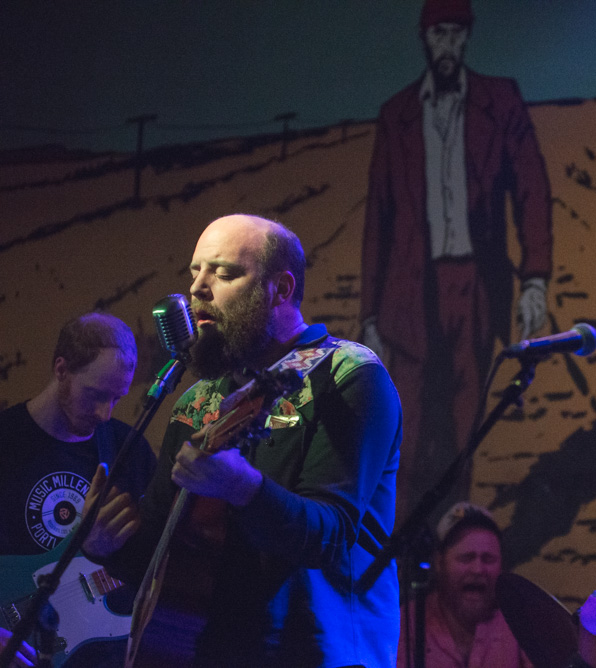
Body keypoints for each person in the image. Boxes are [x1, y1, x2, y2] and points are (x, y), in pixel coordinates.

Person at [82, 215, 402, 666]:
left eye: (225, 272)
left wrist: (241, 488)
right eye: (195, 271)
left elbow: (330, 537)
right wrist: (106, 546)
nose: (197, 287)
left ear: (282, 288)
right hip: (211, 647)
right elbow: (162, 552)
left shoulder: (347, 374)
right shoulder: (198, 400)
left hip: (321, 650)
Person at [361, 0, 553, 518]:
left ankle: (452, 536)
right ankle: (397, 544)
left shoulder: (500, 100)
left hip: (475, 284)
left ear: (467, 38)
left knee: (466, 413)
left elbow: (532, 189)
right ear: (425, 39)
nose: (447, 45)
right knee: (410, 419)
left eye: (456, 34)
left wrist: (535, 279)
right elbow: (378, 216)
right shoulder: (396, 114)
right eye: (438, 34)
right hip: (409, 289)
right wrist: (371, 315)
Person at [0, 312, 156, 667]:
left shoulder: (128, 450)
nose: (105, 413)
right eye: (96, 394)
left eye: (116, 398)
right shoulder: (5, 441)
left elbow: (148, 562)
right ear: (61, 369)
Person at [398, 502, 533, 668]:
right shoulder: (408, 622)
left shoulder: (520, 622)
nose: (478, 569)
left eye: (488, 559)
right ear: (440, 563)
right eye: (466, 558)